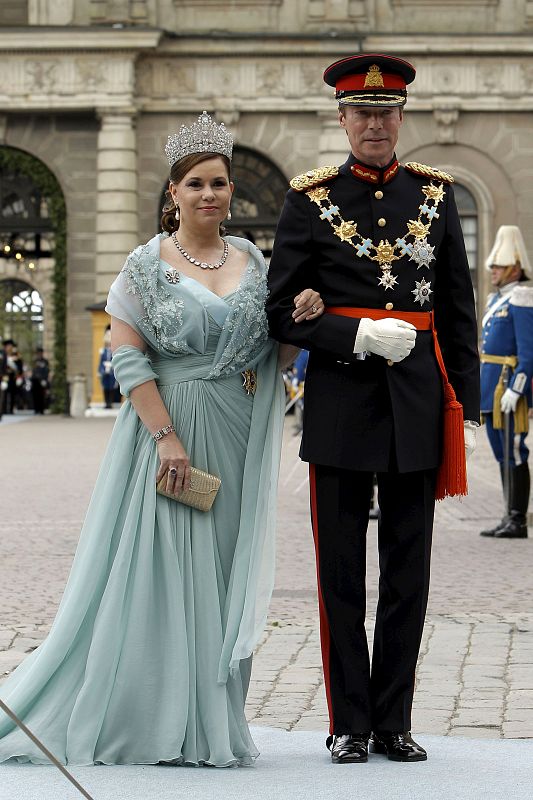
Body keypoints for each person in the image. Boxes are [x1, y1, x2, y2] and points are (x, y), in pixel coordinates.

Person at [0, 111, 324, 767]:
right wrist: (166, 438)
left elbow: (273, 361)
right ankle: (152, 719)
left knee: (220, 576)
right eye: (196, 183)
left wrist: (298, 324)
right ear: (172, 193)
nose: (210, 193)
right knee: (165, 574)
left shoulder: (253, 261)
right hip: (168, 429)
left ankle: (209, 723)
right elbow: (128, 359)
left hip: (234, 432)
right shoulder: (145, 263)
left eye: (220, 183)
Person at [266, 54, 480, 764]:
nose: (374, 124)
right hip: (339, 402)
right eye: (361, 113)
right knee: (338, 576)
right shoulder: (309, 200)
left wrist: (467, 406)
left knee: (407, 574)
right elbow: (279, 311)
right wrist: (348, 332)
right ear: (341, 119)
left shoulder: (436, 196)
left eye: (385, 113)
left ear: (400, 118)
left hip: (417, 401)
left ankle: (393, 721)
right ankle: (347, 721)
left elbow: (455, 306)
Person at [480, 225, 533, 539]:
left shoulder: (522, 298)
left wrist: (518, 387)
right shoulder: (497, 300)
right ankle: (507, 515)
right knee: (501, 452)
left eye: (499, 267)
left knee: (514, 452)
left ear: (515, 267)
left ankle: (517, 520)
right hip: (492, 389)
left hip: (508, 387)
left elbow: (528, 352)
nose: (493, 271)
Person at [98, 325, 117, 409]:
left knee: (111, 387)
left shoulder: (114, 350)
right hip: (105, 371)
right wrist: (100, 371)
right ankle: (106, 403)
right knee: (105, 387)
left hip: (111, 371)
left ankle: (110, 402)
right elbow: (101, 361)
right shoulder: (103, 351)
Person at [31, 346, 50, 415]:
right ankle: (36, 409)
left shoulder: (45, 361)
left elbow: (47, 370)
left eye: (40, 353)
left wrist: (45, 379)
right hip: (35, 380)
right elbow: (34, 371)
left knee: (42, 396)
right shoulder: (35, 361)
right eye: (38, 353)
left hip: (42, 380)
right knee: (35, 396)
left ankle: (42, 410)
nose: (39, 354)